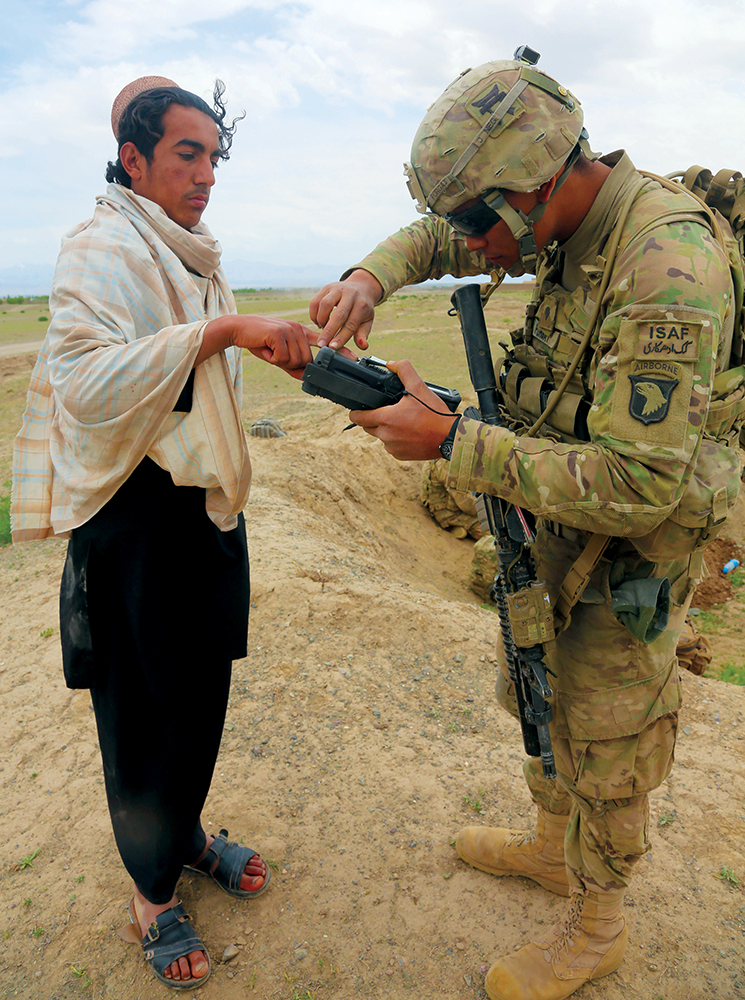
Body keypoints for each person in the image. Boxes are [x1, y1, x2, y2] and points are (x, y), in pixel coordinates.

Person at [309, 52, 744, 1000]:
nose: (469, 244)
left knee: (606, 730)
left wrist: (453, 444)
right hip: (550, 504)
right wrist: (367, 279)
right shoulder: (550, 218)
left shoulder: (664, 259)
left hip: (633, 541)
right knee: (536, 682)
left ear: (535, 187)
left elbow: (637, 481)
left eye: (476, 222)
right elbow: (432, 238)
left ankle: (597, 925)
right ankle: (553, 851)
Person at [12, 76, 322, 989]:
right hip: (134, 520)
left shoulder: (193, 251)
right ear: (134, 157)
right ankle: (152, 892)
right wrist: (221, 330)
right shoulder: (99, 247)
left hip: (202, 510)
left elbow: (199, 362)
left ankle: (183, 835)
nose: (206, 175)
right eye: (188, 155)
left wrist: (247, 338)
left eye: (214, 157)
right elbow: (83, 383)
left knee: (198, 695)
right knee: (141, 713)